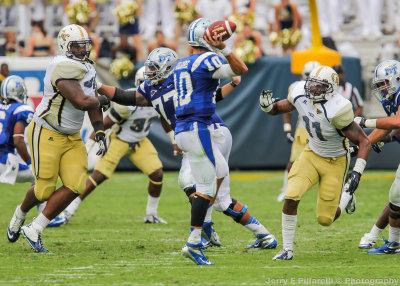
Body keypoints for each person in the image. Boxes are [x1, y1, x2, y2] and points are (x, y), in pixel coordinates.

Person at [6, 24, 117, 253]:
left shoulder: (87, 67)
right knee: (43, 191)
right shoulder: (61, 67)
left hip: (72, 136)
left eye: (84, 46)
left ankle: (35, 228)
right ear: (66, 46)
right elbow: (81, 101)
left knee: (76, 185)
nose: (82, 50)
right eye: (77, 46)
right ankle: (20, 214)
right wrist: (104, 101)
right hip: (46, 131)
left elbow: (91, 97)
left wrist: (99, 130)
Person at [174, 18, 263, 266]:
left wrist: (231, 78)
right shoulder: (207, 58)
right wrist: (223, 47)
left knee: (220, 170)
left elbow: (229, 75)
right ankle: (193, 241)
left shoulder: (184, 62)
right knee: (208, 187)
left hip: (185, 128)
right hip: (197, 127)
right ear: (207, 37)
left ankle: (203, 230)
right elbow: (241, 69)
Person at [260, 65, 371, 260]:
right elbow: (280, 108)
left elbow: (364, 141)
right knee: (291, 195)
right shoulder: (300, 91)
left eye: (319, 87)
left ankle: (346, 194)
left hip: (335, 161)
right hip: (311, 153)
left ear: (330, 89)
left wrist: (356, 173)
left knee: (326, 219)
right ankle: (287, 250)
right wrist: (267, 107)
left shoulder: (339, 108)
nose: (313, 89)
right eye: (312, 84)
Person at [62, 67, 167, 224]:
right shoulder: (129, 103)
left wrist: (175, 142)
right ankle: (68, 210)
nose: (151, 90)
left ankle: (151, 214)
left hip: (140, 141)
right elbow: (105, 123)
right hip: (119, 139)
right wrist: (88, 146)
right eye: (148, 85)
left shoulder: (160, 99)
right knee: (98, 176)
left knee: (157, 174)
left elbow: (166, 120)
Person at [354, 60, 400, 254]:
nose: (382, 88)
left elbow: (397, 121)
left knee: (397, 195)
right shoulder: (393, 97)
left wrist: (365, 121)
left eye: (384, 83)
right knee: (397, 196)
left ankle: (394, 243)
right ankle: (393, 243)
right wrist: (366, 143)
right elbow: (391, 128)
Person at [277, 61, 320, 202]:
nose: (310, 79)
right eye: (308, 75)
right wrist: (287, 129)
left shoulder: (327, 88)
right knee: (293, 162)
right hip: (303, 129)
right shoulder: (296, 87)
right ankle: (285, 190)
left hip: (322, 129)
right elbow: (287, 109)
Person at [0, 76, 34, 186]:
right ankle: (30, 204)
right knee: (41, 177)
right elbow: (18, 140)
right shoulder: (21, 109)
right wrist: (30, 163)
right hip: (3, 159)